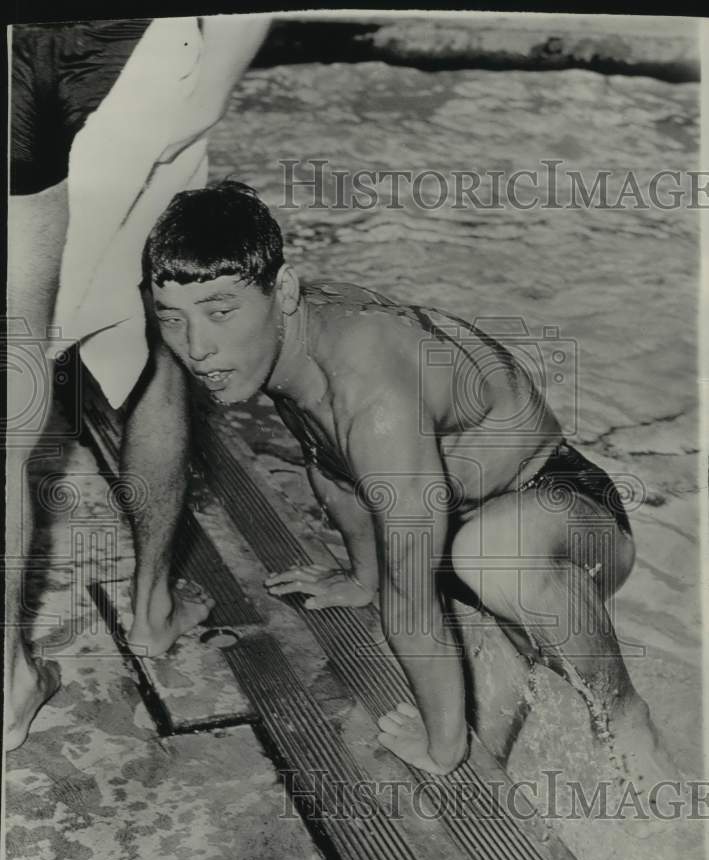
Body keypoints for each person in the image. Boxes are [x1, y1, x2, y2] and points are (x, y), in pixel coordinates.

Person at [137, 179, 678, 788]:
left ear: (281, 289)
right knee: (482, 756)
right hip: (464, 532)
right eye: (173, 321)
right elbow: (328, 457)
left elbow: (411, 591)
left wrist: (440, 743)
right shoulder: (288, 341)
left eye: (219, 312)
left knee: (489, 563)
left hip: (565, 513)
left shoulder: (371, 386)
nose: (198, 348)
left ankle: (628, 717)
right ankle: (496, 704)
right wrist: (361, 578)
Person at [5, 17, 269, 751]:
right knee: (152, 352)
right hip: (129, 65)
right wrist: (199, 95)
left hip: (43, 68)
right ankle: (151, 607)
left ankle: (7, 683)